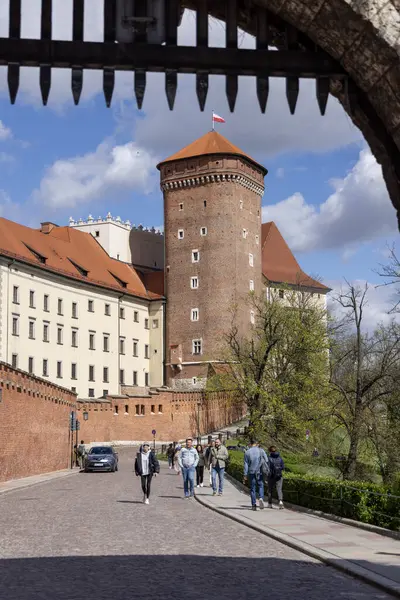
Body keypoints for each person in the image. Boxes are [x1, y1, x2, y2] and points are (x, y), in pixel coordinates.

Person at [243, 439, 268, 511]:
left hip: (251, 472)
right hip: (259, 471)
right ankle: (261, 497)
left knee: (252, 488)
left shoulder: (247, 452)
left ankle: (254, 505)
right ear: (257, 443)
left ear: (250, 444)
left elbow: (246, 464)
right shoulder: (261, 451)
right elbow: (266, 460)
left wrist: (245, 474)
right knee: (260, 485)